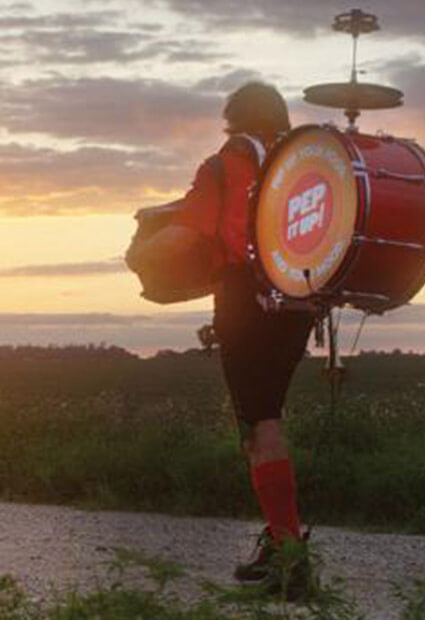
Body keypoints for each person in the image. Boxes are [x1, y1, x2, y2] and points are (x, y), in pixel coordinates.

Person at [129, 81, 315, 600]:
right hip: (298, 303)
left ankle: (289, 557)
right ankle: (280, 545)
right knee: (267, 414)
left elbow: (189, 233)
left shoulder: (224, 165)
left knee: (260, 427)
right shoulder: (298, 163)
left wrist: (141, 255)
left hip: (244, 300)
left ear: (232, 121)